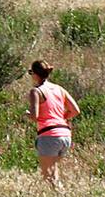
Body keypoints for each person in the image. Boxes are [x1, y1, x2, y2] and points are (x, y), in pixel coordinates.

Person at [27, 60, 80, 189]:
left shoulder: (36, 92)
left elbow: (35, 116)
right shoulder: (59, 89)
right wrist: (61, 119)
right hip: (65, 135)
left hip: (49, 136)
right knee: (53, 173)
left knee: (48, 177)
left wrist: (27, 114)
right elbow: (75, 110)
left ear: (35, 74)